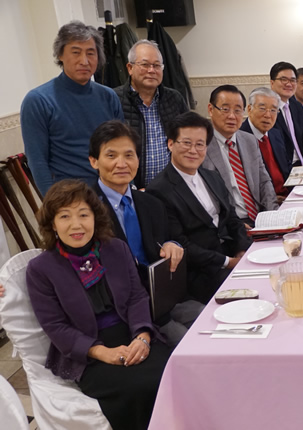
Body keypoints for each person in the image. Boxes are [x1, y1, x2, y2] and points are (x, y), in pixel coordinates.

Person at [26, 179, 171, 430]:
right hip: (87, 353)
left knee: (170, 372)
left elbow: (137, 297)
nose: (76, 224)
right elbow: (55, 326)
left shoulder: (116, 248)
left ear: (95, 217)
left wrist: (142, 336)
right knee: (137, 388)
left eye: (84, 214)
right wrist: (103, 352)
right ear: (52, 224)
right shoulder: (40, 269)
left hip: (132, 333)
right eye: (65, 216)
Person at [88, 120, 202, 346]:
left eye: (129, 155)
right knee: (190, 345)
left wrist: (171, 245)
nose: (121, 164)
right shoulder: (85, 210)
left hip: (164, 299)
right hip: (122, 311)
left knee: (210, 320)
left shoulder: (151, 203)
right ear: (94, 161)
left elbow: (165, 241)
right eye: (111, 156)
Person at [147, 112, 252, 303]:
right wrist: (228, 262)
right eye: (186, 143)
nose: (193, 150)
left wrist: (241, 250)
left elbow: (232, 217)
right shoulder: (159, 190)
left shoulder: (211, 176)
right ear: (170, 144)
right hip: (202, 273)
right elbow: (182, 244)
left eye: (200, 144)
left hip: (232, 254)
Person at [21, 21, 124, 194]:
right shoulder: (38, 101)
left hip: (112, 192)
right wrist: (55, 203)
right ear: (60, 54)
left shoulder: (108, 96)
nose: (84, 61)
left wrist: (127, 190)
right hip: (70, 197)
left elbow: (122, 148)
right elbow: (37, 161)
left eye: (90, 53)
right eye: (76, 52)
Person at [114, 40, 189, 188]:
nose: (151, 70)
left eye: (156, 65)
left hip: (172, 187)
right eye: (145, 64)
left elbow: (188, 138)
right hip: (130, 189)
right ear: (130, 68)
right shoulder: (114, 99)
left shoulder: (174, 98)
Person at [202, 85, 278, 226]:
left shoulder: (249, 140)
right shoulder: (201, 146)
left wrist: (273, 214)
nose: (232, 116)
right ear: (211, 110)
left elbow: (264, 182)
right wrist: (234, 227)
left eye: (237, 110)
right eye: (225, 109)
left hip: (260, 218)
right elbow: (205, 199)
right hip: (231, 224)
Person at [240, 87, 290, 197]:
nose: (268, 115)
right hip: (265, 200)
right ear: (249, 109)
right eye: (262, 109)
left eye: (273, 110)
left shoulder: (275, 133)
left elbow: (286, 168)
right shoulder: (239, 139)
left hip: (287, 194)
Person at [270, 62, 303, 166]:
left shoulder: (296, 106)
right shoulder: (269, 110)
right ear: (272, 83)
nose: (288, 84)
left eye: (292, 80)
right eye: (283, 79)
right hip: (285, 168)